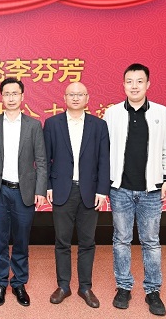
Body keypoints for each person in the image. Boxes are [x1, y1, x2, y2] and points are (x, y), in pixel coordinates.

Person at [103, 63, 166, 316]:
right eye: (129, 81)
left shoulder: (161, 113)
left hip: (151, 190)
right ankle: (123, 287)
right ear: (123, 84)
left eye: (139, 81)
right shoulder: (112, 113)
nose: (134, 86)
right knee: (121, 240)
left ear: (148, 84)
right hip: (120, 189)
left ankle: (153, 291)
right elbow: (104, 150)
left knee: (151, 242)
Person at [43, 81, 110, 309]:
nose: (75, 98)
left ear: (87, 98)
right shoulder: (52, 124)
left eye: (80, 94)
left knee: (87, 242)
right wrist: (48, 186)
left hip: (90, 191)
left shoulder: (99, 125)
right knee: (62, 241)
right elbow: (45, 159)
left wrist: (102, 190)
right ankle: (63, 285)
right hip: (62, 190)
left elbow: (104, 160)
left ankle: (85, 287)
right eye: (71, 94)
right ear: (64, 98)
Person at [0, 78, 47, 307]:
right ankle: (1, 282)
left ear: (22, 97)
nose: (11, 98)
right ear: (1, 97)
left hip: (24, 192)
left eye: (15, 94)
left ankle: (19, 282)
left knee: (21, 240)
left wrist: (40, 189)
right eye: (7, 94)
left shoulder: (33, 125)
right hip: (0, 190)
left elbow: (41, 161)